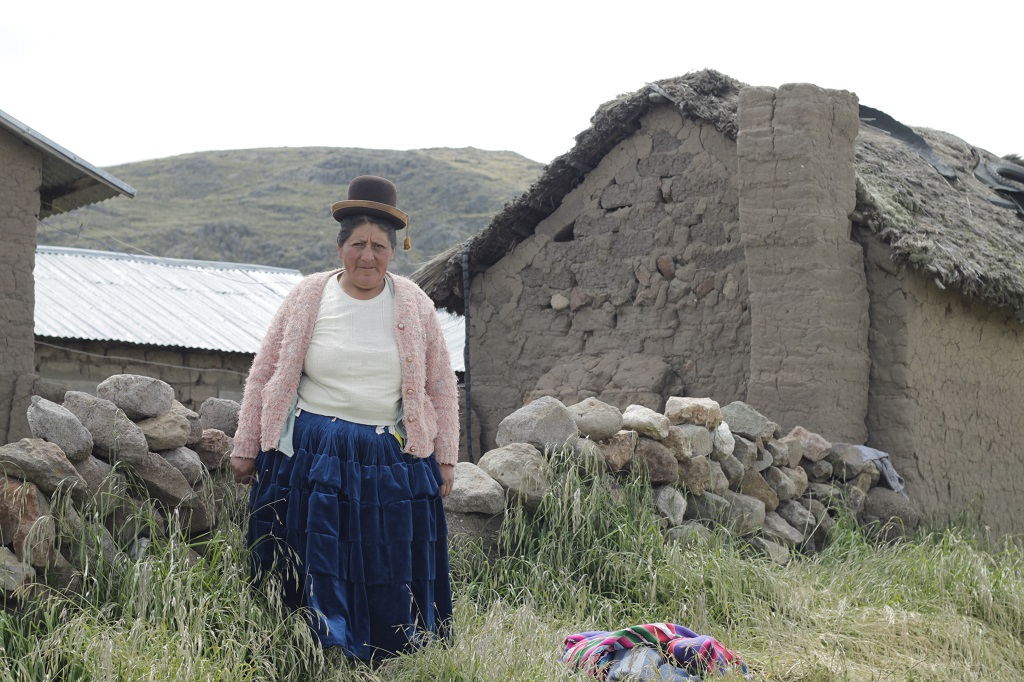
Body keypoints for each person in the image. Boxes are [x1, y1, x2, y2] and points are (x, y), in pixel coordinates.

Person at [230, 175, 459, 662]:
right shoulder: (308, 296)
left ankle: (382, 652)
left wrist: (446, 459)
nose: (367, 256)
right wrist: (246, 445)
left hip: (387, 454)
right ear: (339, 248)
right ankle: (305, 648)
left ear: (393, 253)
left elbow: (441, 384)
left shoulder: (414, 303)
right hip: (312, 451)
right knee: (309, 555)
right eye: (357, 244)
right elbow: (265, 372)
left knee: (384, 556)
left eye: (379, 246)